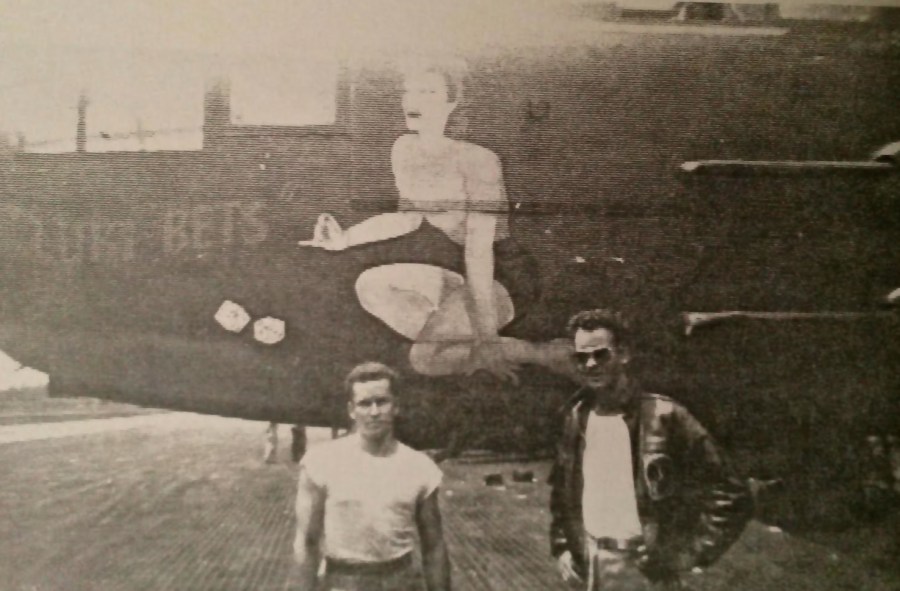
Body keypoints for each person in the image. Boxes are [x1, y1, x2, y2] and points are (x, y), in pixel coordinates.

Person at [299, 60, 571, 384]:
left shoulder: (479, 161)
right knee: (370, 285)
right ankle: (460, 336)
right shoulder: (403, 149)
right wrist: (345, 238)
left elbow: (479, 252)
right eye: (409, 91)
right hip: (458, 272)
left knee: (425, 359)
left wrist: (487, 340)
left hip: (504, 275)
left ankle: (539, 353)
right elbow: (408, 218)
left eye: (428, 92)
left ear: (451, 103)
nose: (414, 100)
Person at [549, 309, 753, 590]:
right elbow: (562, 490)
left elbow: (732, 493)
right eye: (581, 357)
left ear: (624, 354)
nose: (591, 364)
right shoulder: (576, 418)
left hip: (648, 571)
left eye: (601, 354)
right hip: (591, 564)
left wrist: (684, 554)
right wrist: (563, 547)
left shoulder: (665, 415)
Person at [290, 362, 451, 591]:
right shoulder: (321, 462)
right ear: (351, 410)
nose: (374, 412)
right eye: (365, 404)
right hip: (342, 581)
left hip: (401, 581)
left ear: (396, 406)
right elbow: (307, 542)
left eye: (382, 402)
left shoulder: (420, 467)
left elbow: (434, 546)